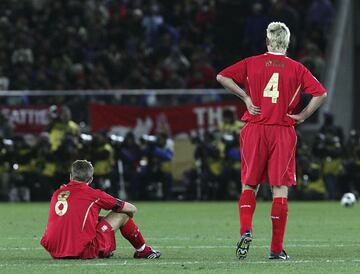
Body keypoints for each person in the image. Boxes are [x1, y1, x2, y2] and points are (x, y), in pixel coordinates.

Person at [217, 22, 327, 260]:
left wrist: (245, 97)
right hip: (282, 130)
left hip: (254, 129)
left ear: (267, 41)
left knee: (250, 185)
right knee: (279, 188)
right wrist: (303, 115)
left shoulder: (252, 62)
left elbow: (222, 76)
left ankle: (246, 229)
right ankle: (276, 250)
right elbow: (320, 93)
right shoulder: (298, 69)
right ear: (287, 43)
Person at [40, 160, 160, 259]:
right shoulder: (94, 194)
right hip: (82, 251)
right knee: (123, 215)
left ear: (71, 176)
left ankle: (104, 248)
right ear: (91, 179)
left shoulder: (58, 193)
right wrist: (125, 218)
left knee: (94, 219)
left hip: (54, 250)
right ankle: (143, 250)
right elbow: (132, 209)